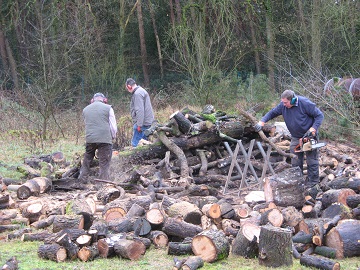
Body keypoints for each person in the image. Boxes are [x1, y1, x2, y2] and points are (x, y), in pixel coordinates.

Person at [254, 89, 324, 188]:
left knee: (311, 160)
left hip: (308, 136)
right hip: (296, 137)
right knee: (295, 160)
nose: (284, 104)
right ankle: (297, 183)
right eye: (282, 102)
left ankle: (313, 184)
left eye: (285, 102)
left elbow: (319, 115)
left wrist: (313, 129)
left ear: (292, 100)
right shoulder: (283, 106)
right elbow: (272, 113)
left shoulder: (304, 103)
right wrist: (261, 122)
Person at [78, 92, 117, 183]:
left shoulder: (85, 109)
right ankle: (102, 182)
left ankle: (82, 179)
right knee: (104, 162)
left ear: (92, 100)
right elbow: (113, 126)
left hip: (90, 138)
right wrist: (113, 136)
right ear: (104, 100)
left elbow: (87, 124)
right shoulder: (108, 108)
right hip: (105, 138)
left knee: (87, 159)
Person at [125, 78, 155, 147]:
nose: (128, 90)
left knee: (135, 144)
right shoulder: (141, 91)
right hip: (146, 122)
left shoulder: (137, 94)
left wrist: (139, 125)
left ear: (129, 86)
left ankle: (131, 157)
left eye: (127, 88)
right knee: (144, 145)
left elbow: (139, 110)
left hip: (142, 124)